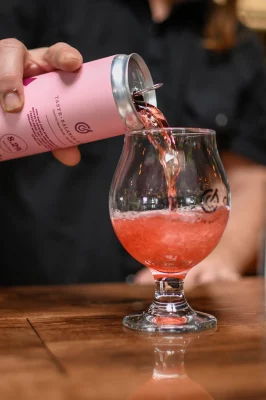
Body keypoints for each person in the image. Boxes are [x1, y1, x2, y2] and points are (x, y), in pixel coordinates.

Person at [0, 0, 265, 286]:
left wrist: (225, 256)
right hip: (35, 288)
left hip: (177, 299)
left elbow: (248, 176)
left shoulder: (241, 45)